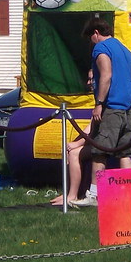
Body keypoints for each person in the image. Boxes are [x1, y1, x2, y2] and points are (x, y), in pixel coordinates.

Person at [72, 15, 131, 208]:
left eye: (90, 38)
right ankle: (128, 193)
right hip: (127, 109)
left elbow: (106, 75)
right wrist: (128, 101)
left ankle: (94, 195)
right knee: (124, 153)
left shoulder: (101, 48)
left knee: (99, 153)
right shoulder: (125, 50)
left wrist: (99, 103)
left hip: (111, 109)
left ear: (96, 33)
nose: (90, 43)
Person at [50, 71, 93, 207]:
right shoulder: (99, 98)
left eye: (92, 79)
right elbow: (91, 126)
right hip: (97, 141)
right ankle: (68, 191)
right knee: (70, 149)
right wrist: (76, 141)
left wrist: (78, 143)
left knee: (74, 153)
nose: (88, 83)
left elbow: (96, 128)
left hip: (104, 143)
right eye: (88, 79)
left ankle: (72, 195)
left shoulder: (105, 99)